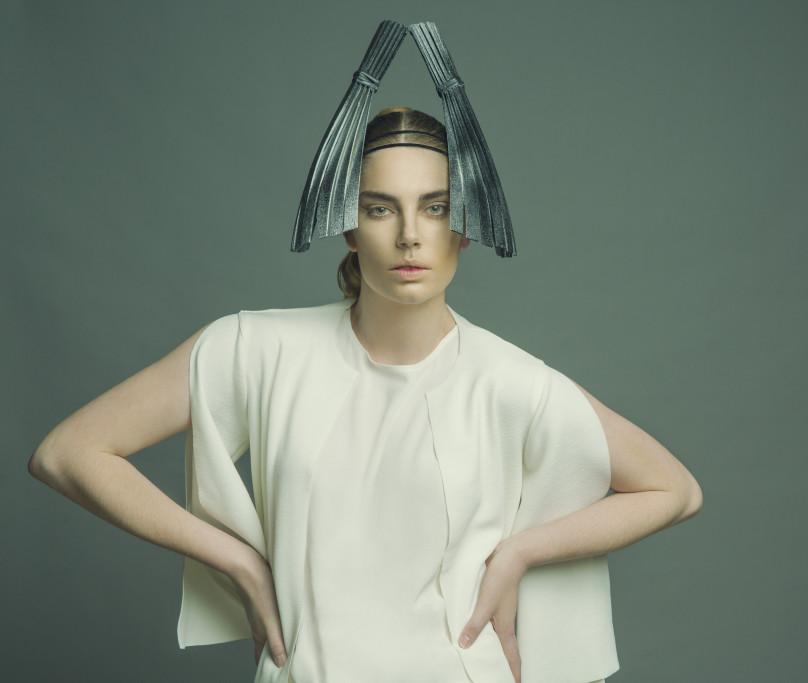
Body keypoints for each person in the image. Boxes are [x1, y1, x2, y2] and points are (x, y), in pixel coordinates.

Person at [29, 24, 702, 683]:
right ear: (347, 226)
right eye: (381, 209)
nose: (411, 235)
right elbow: (67, 453)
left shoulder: (511, 381)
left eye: (435, 208)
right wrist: (235, 557)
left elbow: (675, 488)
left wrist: (521, 552)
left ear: (464, 226)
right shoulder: (257, 350)